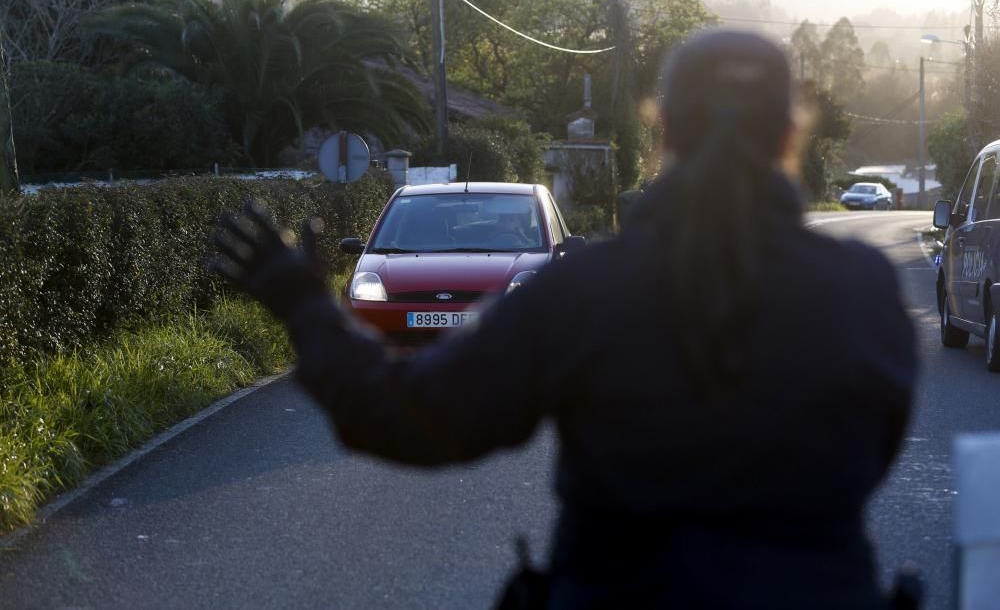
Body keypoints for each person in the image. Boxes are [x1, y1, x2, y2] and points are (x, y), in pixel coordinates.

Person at [210, 30, 916, 609]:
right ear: (791, 133)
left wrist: (304, 307)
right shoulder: (865, 290)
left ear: (663, 128)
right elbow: (877, 449)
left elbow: (409, 416)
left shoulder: (581, 290)